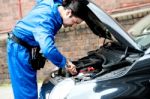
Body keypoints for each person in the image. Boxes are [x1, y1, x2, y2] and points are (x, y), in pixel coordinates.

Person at [7, 0, 83, 98]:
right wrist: (65, 63)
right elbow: (48, 50)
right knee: (26, 93)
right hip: (19, 51)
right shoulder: (46, 21)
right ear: (68, 12)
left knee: (29, 88)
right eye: (75, 22)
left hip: (24, 47)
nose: (73, 25)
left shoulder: (53, 3)